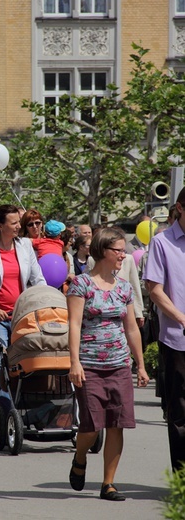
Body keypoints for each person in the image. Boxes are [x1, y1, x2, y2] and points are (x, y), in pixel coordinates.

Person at [67, 227, 149, 500]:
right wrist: (75, 362)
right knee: (91, 426)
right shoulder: (81, 284)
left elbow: (132, 329)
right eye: (119, 251)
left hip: (119, 365)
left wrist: (140, 364)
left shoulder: (124, 287)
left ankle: (108, 484)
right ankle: (80, 457)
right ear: (103, 251)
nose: (123, 255)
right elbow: (74, 324)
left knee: (117, 424)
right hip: (89, 366)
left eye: (124, 251)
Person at [0, 204, 46, 410]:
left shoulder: (25, 246)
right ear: (0, 226)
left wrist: (46, 300)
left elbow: (37, 279)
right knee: (1, 365)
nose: (17, 227)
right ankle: (6, 412)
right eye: (13, 223)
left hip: (22, 316)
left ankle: (22, 407)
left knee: (25, 364)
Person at [143, 187, 185, 472]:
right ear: (180, 208)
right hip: (177, 338)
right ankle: (181, 478)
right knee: (180, 411)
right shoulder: (162, 242)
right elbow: (154, 290)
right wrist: (181, 317)